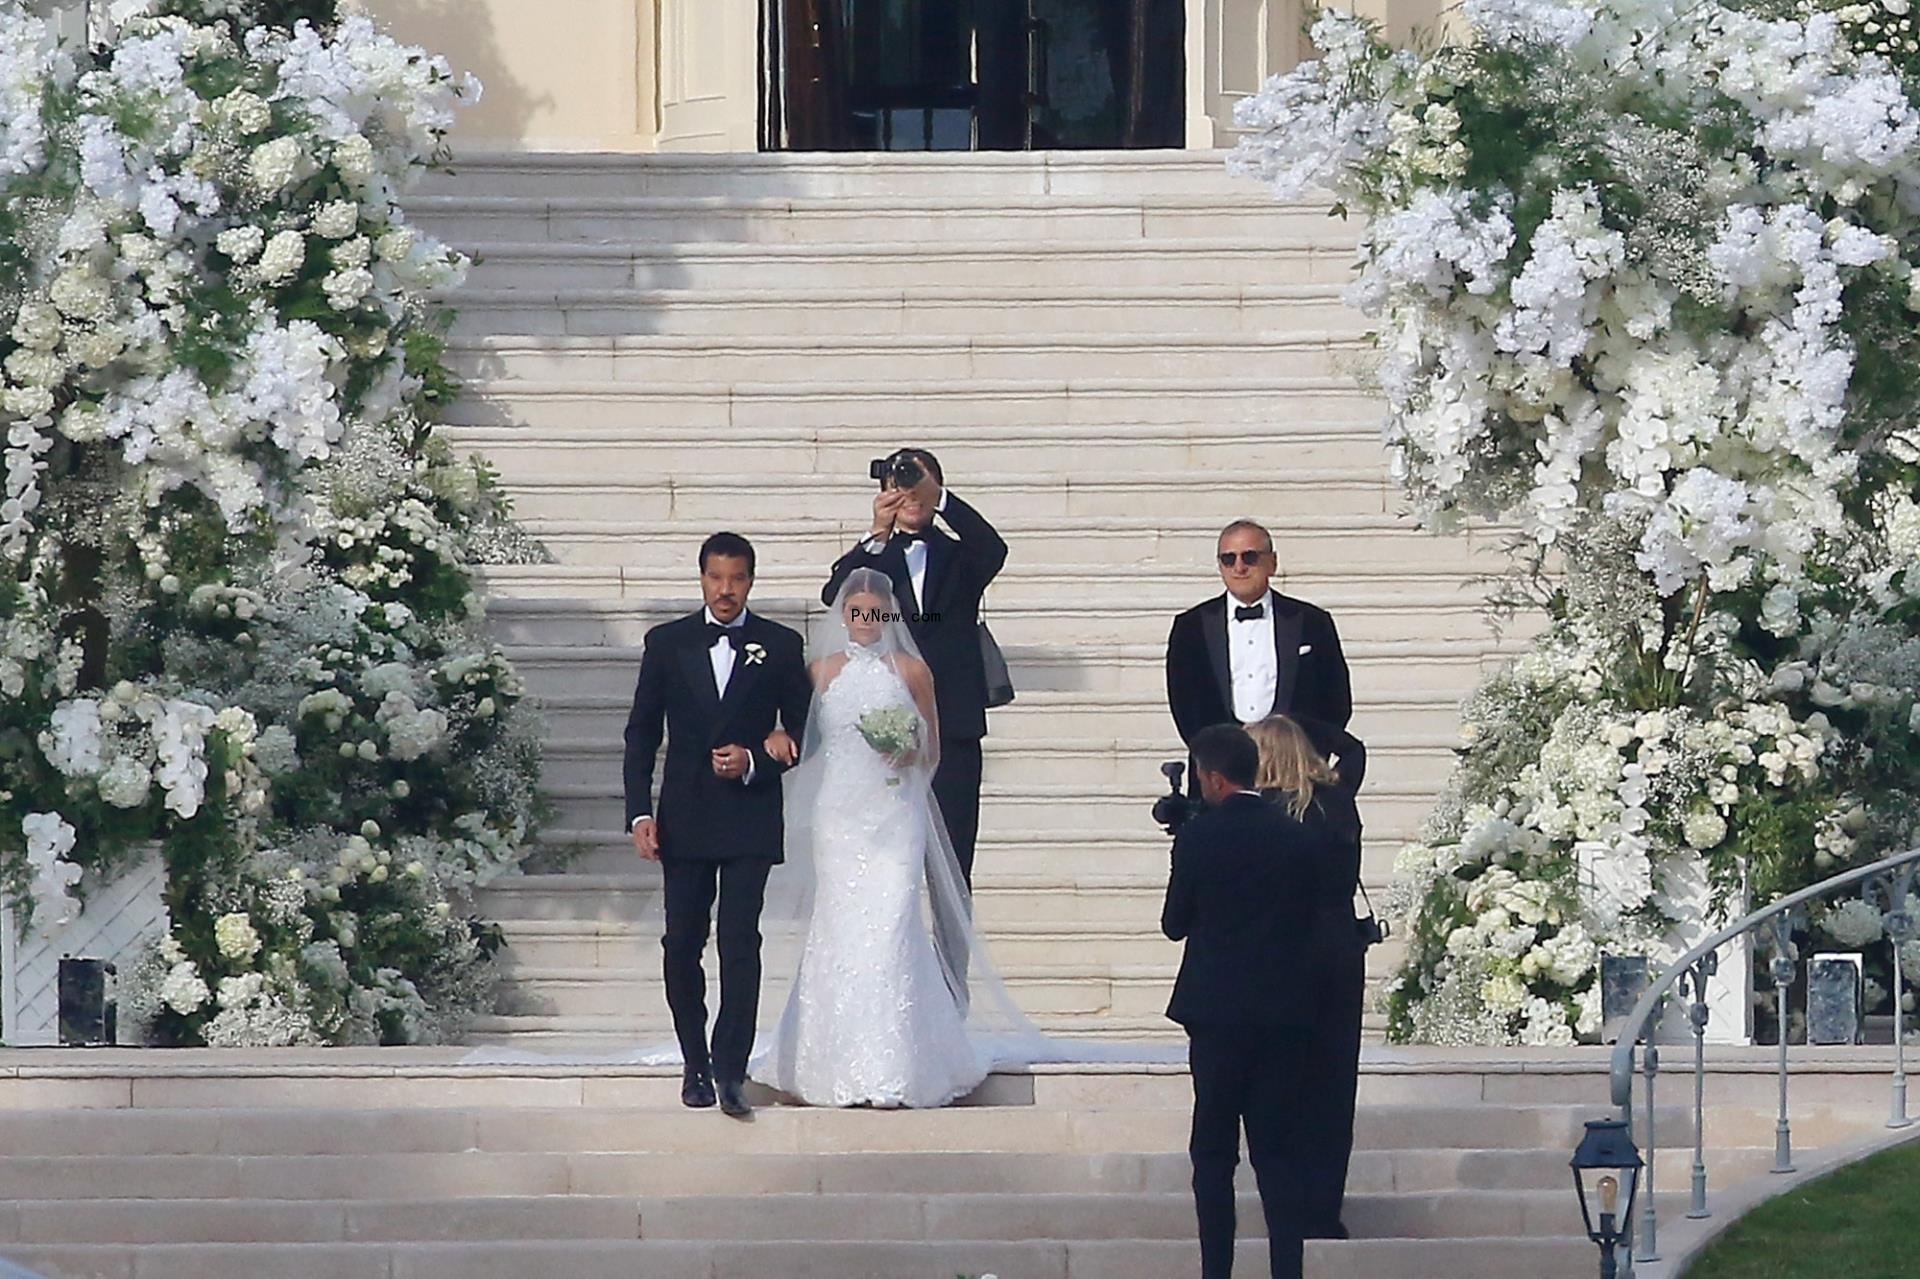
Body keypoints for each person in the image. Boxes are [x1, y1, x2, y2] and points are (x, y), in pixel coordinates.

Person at [753, 569, 993, 1108]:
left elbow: (932, 747)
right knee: (840, 929)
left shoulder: (912, 670)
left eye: (875, 613)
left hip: (895, 813)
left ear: (889, 615)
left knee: (891, 928)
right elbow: (795, 730)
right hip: (839, 814)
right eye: (856, 613)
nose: (865, 622)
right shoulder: (819, 671)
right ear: (844, 615)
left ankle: (898, 1062)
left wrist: (911, 753)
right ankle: (829, 1061)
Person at [622, 532, 810, 1118]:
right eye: (716, 578)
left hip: (750, 815)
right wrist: (639, 811)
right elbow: (642, 734)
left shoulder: (780, 645)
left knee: (739, 941)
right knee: (681, 942)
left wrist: (761, 754)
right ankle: (694, 1062)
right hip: (685, 816)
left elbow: (804, 730)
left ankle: (731, 1068)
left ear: (751, 580)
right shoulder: (668, 642)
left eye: (737, 579)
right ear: (701, 578)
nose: (726, 590)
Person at [1162, 723, 1336, 1279]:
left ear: (1213, 778)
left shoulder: (1199, 838)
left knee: (1213, 1152)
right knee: (1278, 1153)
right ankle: (1288, 1269)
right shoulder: (1298, 835)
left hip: (1216, 1013)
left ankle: (1218, 1270)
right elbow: (1315, 914)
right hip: (1284, 1012)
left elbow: (1174, 924)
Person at [821, 448, 1007, 886]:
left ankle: (949, 956)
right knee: (885, 864)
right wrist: (876, 535)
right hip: (883, 725)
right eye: (899, 482)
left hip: (955, 725)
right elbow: (835, 595)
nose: (909, 493)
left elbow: (994, 548)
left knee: (955, 865)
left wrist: (940, 498)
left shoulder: (961, 557)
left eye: (917, 483)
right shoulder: (874, 557)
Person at [1247, 714, 1368, 1241]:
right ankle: (1323, 1207)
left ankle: (1286, 1203)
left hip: (1278, 956)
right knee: (1333, 1086)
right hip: (1338, 952)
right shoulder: (1337, 801)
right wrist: (1313, 723)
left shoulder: (1255, 814)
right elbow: (1355, 751)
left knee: (1278, 1086)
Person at [1166, 520, 1355, 787]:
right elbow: (1184, 705)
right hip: (1221, 778)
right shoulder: (1191, 626)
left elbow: (1336, 700)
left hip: (1295, 775)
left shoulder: (1312, 621)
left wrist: (1302, 755)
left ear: (1272, 563)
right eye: (1228, 559)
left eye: (1250, 557)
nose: (1239, 567)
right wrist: (1218, 758)